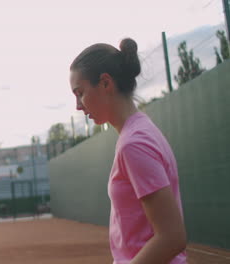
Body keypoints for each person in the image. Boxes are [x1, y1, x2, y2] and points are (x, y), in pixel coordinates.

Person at [69, 38, 187, 264]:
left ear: (105, 83)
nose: (78, 105)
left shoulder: (134, 144)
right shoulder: (140, 132)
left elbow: (172, 237)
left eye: (80, 92)